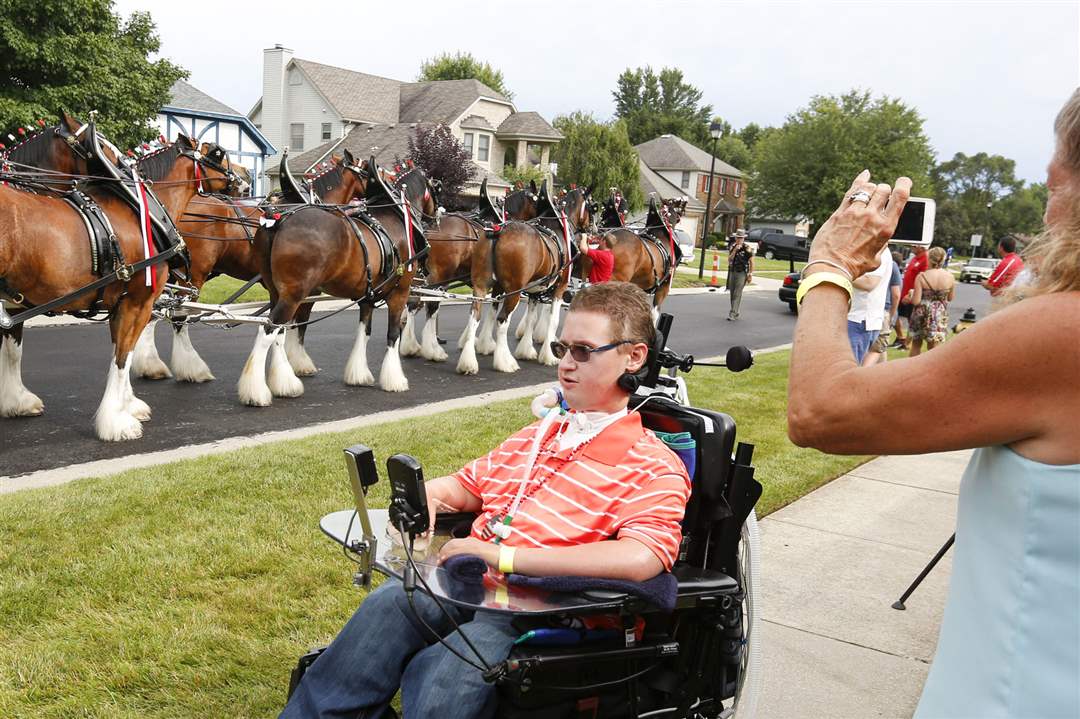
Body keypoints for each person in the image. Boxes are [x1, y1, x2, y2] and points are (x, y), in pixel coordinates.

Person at [787, 87, 1080, 719]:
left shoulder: (1062, 333)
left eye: (1061, 164)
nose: (1049, 178)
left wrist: (829, 263)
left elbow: (821, 409)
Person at [282, 282, 691, 719]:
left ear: (634, 357)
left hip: (543, 612)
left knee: (447, 670)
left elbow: (641, 557)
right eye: (562, 348)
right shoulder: (541, 434)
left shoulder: (652, 462)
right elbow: (469, 484)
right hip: (472, 585)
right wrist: (432, 495)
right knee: (389, 605)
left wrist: (503, 555)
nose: (566, 364)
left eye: (584, 351)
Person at [846, 245, 893, 363]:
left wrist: (839, 273)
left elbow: (869, 283)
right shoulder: (874, 249)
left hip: (860, 318)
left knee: (850, 367)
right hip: (861, 318)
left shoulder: (877, 250)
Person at [906, 247, 956, 356]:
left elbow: (916, 301)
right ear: (943, 260)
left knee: (916, 344)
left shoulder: (922, 276)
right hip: (939, 314)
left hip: (921, 313)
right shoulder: (950, 277)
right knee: (934, 346)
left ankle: (913, 369)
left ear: (929, 259)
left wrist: (910, 295)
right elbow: (950, 298)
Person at [862, 250, 903, 366]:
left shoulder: (863, 260)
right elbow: (896, 293)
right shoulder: (891, 264)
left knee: (871, 347)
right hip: (882, 310)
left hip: (862, 309)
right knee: (878, 348)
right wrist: (892, 314)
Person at [893, 245, 929, 348]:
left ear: (922, 247)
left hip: (912, 295)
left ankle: (907, 344)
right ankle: (901, 337)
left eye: (914, 246)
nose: (912, 247)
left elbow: (923, 279)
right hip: (903, 293)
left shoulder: (925, 259)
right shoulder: (915, 258)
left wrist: (912, 294)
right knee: (895, 315)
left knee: (912, 321)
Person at [726, 229, 754, 320]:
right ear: (735, 238)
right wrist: (734, 250)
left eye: (741, 238)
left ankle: (732, 314)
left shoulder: (747, 248)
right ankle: (736, 311)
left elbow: (752, 262)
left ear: (743, 239)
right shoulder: (732, 246)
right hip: (732, 271)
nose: (739, 240)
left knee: (737, 293)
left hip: (742, 273)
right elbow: (729, 259)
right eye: (738, 238)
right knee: (732, 293)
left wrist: (750, 274)